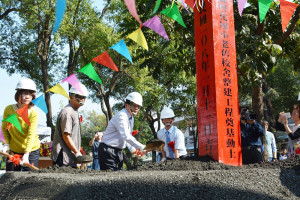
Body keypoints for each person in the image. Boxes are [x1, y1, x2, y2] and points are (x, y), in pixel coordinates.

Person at [98, 92, 146, 171]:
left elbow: (127, 138)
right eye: (134, 105)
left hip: (118, 151)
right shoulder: (122, 116)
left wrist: (133, 150)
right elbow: (126, 136)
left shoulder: (131, 118)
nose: (136, 108)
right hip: (107, 151)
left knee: (119, 179)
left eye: (138, 106)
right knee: (110, 179)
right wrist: (141, 147)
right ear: (126, 104)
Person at [1, 78, 40, 171]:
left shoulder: (33, 113)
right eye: (24, 93)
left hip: (31, 150)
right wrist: (6, 144)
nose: (27, 96)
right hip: (14, 150)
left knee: (29, 178)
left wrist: (26, 154)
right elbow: (4, 128)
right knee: (10, 176)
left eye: (30, 94)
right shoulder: (9, 109)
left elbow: (31, 135)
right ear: (18, 94)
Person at [52, 83, 88, 168]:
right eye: (79, 96)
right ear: (71, 96)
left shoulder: (74, 111)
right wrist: (77, 153)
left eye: (84, 97)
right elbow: (66, 136)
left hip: (70, 158)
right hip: (63, 157)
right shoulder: (67, 112)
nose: (82, 99)